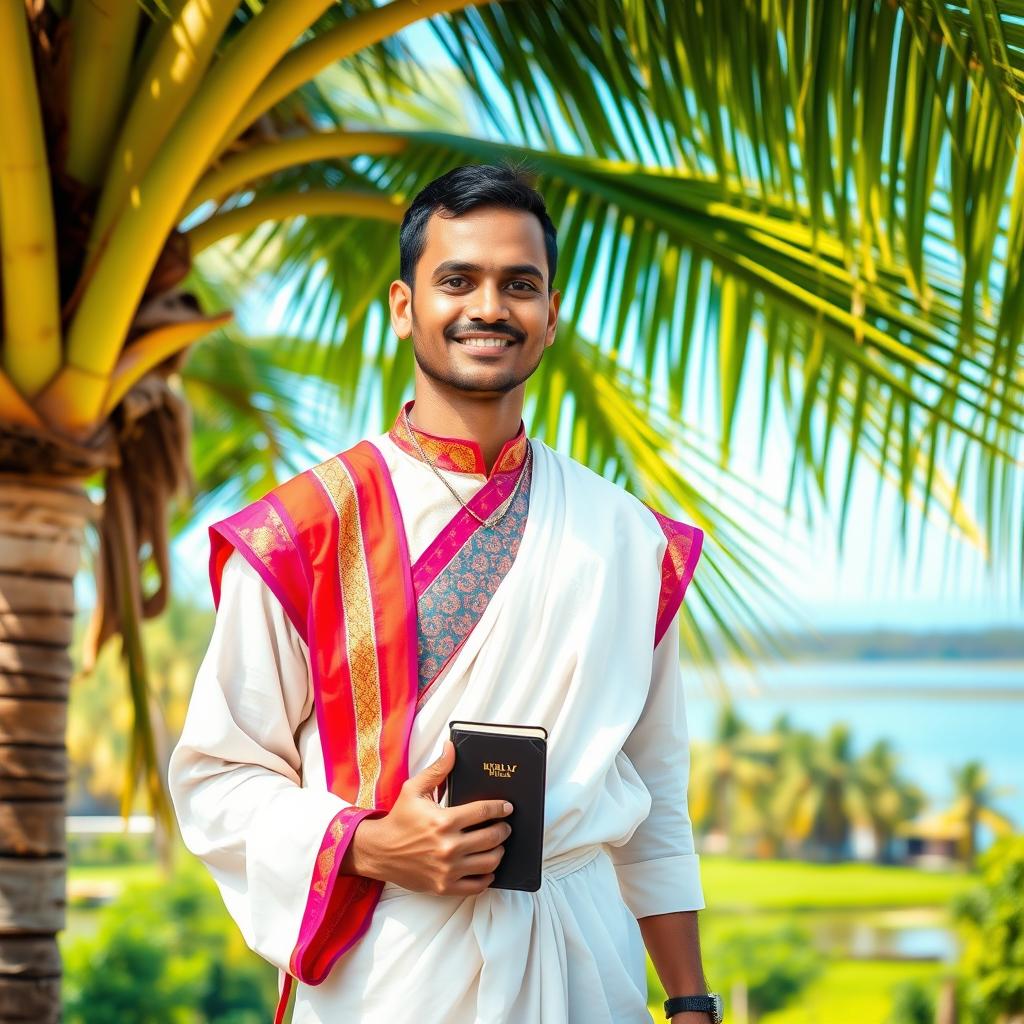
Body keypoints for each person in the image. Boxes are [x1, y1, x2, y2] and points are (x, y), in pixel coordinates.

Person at [169, 164, 718, 1024]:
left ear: (550, 317)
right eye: (457, 279)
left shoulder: (627, 539)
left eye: (520, 284)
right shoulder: (306, 531)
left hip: (583, 974)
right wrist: (369, 845)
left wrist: (690, 999)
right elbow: (216, 779)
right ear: (403, 305)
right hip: (385, 979)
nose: (489, 307)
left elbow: (652, 787)